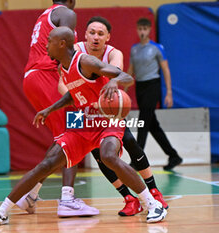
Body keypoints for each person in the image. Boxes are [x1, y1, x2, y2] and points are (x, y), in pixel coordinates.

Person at [0, 26, 167, 226]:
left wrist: (114, 82)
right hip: (83, 124)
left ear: (62, 44)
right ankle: (1, 211)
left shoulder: (85, 61)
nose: (46, 45)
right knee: (47, 164)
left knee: (108, 156)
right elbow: (73, 94)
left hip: (107, 120)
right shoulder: (63, 67)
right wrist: (50, 109)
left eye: (49, 41)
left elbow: (126, 77)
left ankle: (152, 204)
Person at [69, 16, 168, 216]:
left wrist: (114, 81)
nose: (96, 37)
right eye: (92, 33)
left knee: (130, 142)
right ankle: (129, 198)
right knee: (98, 156)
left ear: (107, 37)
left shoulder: (113, 53)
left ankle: (154, 191)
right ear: (85, 35)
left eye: (100, 34)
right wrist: (76, 101)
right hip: (81, 108)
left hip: (108, 107)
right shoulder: (76, 51)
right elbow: (63, 82)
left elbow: (119, 72)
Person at [18, 0, 98, 217]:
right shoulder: (66, 13)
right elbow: (68, 53)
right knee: (74, 134)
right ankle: (67, 200)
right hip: (46, 74)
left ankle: (31, 195)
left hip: (33, 76)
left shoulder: (46, 14)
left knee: (64, 138)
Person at [127, 18, 182, 171]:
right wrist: (123, 89)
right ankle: (173, 155)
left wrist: (169, 93)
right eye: (140, 28)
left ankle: (137, 159)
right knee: (152, 125)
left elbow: (166, 70)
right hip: (140, 86)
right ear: (137, 30)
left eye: (145, 28)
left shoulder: (157, 48)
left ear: (149, 30)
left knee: (143, 121)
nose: (142, 31)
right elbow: (131, 70)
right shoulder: (134, 48)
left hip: (153, 85)